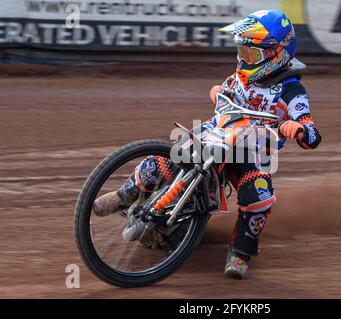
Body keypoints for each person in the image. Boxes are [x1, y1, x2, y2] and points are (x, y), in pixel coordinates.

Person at [93, 10, 321, 280]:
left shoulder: (292, 90)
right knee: (166, 157)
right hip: (216, 132)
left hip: (251, 151)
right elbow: (224, 89)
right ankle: (125, 194)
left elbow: (310, 129)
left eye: (252, 54)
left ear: (277, 53)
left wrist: (297, 129)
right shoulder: (243, 74)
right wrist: (218, 91)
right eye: (242, 51)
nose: (244, 59)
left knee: (258, 196)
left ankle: (241, 252)